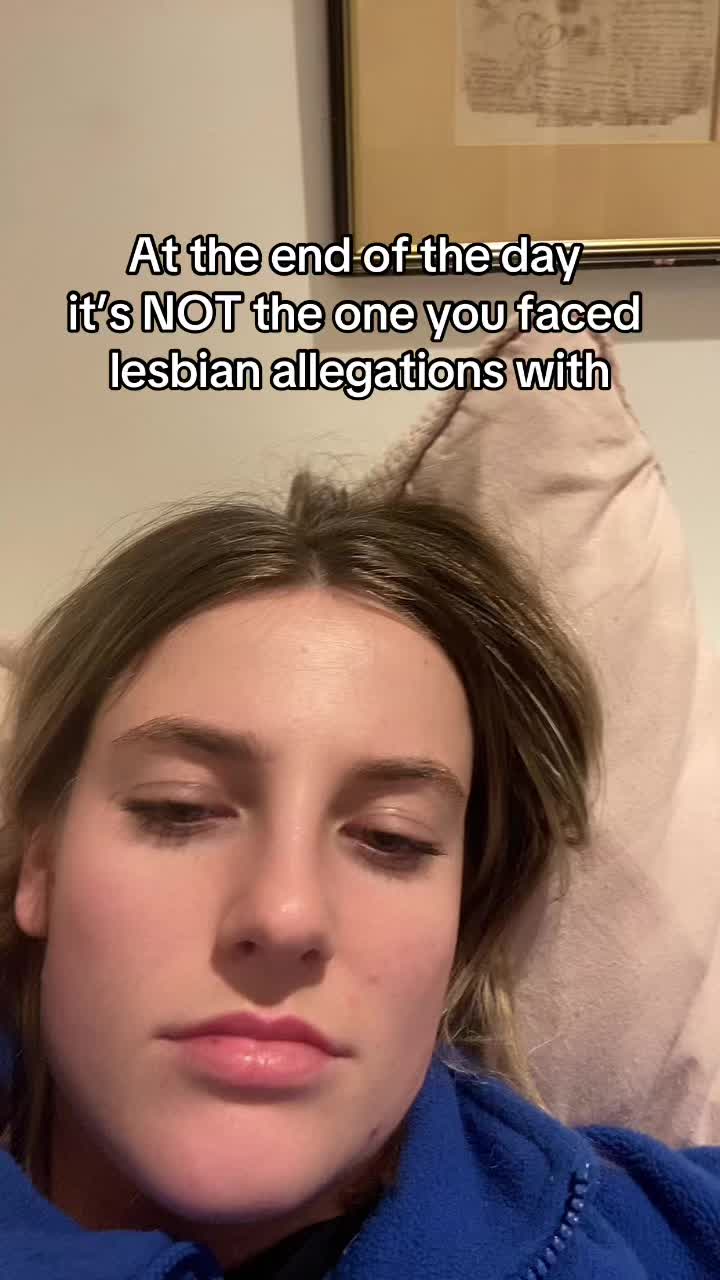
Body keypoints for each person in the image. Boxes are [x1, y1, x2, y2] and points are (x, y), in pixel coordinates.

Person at [0, 470, 717, 1280]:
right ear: (42, 864)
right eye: (180, 808)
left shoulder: (650, 1236)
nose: (286, 914)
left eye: (390, 838)